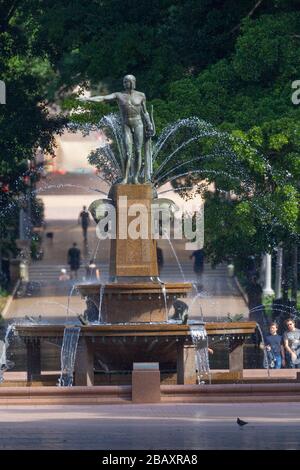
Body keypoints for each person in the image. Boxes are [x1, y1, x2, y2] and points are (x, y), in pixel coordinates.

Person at [79, 75, 154, 184]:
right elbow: (103, 98)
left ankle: (136, 178)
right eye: (124, 82)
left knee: (138, 151)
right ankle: (125, 177)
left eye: (127, 82)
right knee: (128, 153)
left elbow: (145, 112)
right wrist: (88, 99)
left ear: (133, 82)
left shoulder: (141, 95)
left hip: (138, 124)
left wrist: (149, 124)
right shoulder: (119, 95)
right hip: (126, 124)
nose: (125, 84)